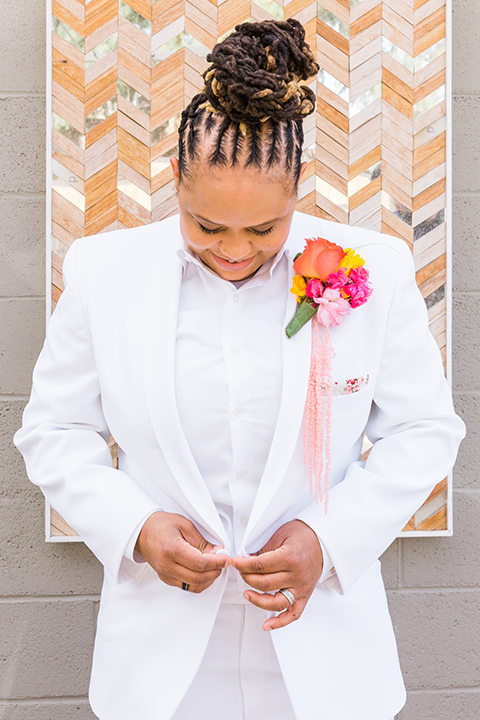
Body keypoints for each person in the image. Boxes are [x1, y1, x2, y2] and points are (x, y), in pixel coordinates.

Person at [14, 17, 465, 720]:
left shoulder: (375, 269)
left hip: (327, 662)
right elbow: (53, 431)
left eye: (262, 229)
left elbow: (426, 432)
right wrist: (135, 527)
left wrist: (329, 538)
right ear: (175, 178)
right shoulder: (104, 273)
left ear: (299, 186)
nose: (232, 250)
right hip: (159, 670)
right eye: (205, 225)